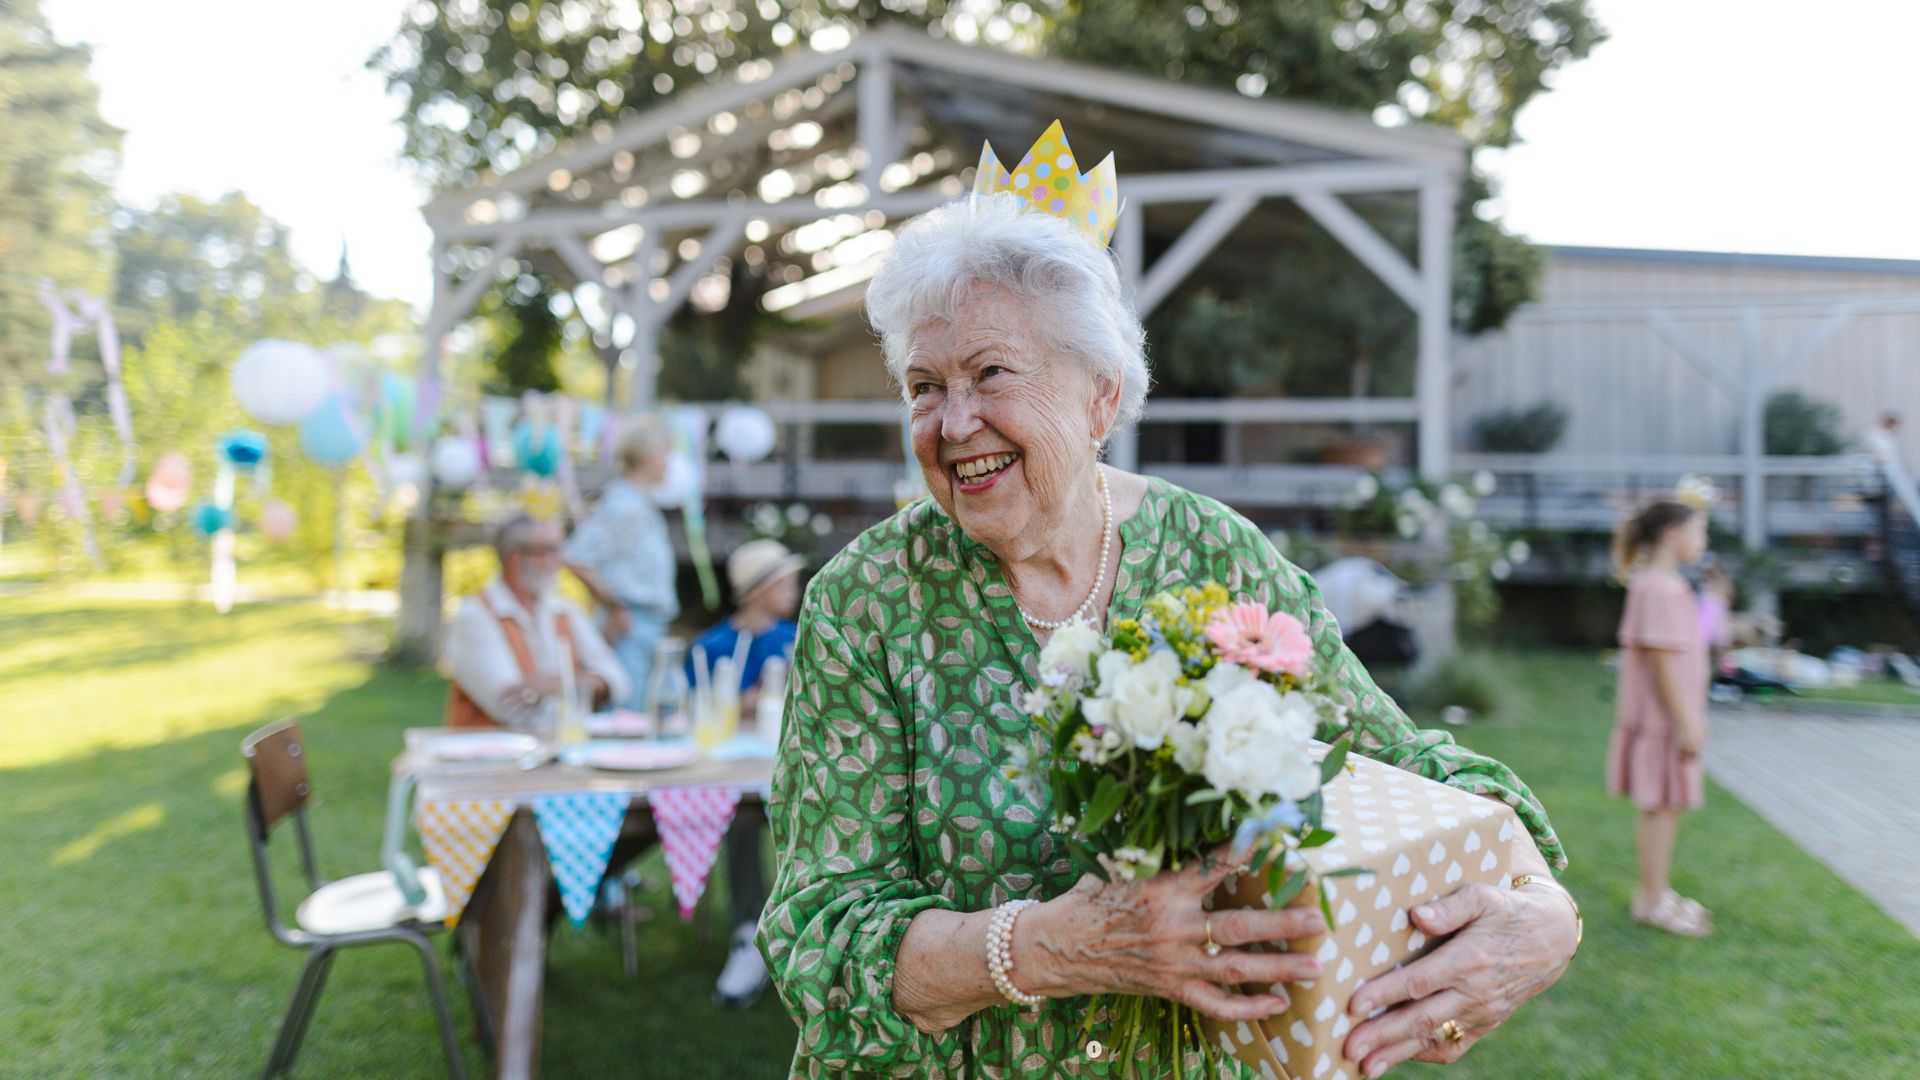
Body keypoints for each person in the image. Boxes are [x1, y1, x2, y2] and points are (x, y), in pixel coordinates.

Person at [757, 136, 1578, 1080]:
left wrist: (1543, 909)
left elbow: (1397, 764)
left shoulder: (1216, 556)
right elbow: (820, 937)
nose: (952, 425)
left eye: (990, 375)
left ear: (1101, 397)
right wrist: (1055, 946)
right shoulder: (866, 605)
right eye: (923, 387)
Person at [682, 538, 806, 1008]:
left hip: (790, 763)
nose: (794, 590)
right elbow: (698, 713)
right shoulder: (711, 647)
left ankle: (806, 919)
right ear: (758, 590)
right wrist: (741, 700)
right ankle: (747, 928)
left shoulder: (800, 637)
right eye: (785, 582)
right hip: (731, 766)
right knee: (736, 812)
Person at [1608, 498, 1713, 936]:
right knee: (1659, 807)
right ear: (1673, 534)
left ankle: (1658, 892)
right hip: (1662, 722)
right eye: (1699, 531)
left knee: (1667, 807)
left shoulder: (1664, 584)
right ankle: (1651, 900)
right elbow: (1661, 662)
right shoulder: (1658, 587)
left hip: (1669, 720)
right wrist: (1685, 722)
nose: (1703, 541)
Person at [445, 514, 627, 730]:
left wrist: (553, 685)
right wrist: (586, 685)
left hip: (562, 747)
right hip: (489, 754)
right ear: (516, 557)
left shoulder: (563, 609)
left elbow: (619, 683)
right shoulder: (475, 616)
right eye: (550, 551)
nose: (560, 561)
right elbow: (513, 709)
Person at [565, 418, 680, 711]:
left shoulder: (639, 504)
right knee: (626, 721)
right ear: (648, 458)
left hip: (647, 625)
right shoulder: (624, 507)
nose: (670, 462)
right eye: (666, 454)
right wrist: (614, 605)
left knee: (648, 714)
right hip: (631, 625)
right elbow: (576, 557)